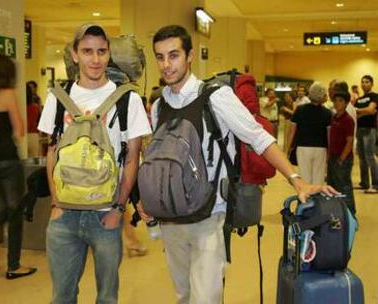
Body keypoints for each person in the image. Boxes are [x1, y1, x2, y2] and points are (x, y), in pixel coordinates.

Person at [137, 25, 336, 304]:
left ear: (190, 55)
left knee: (205, 299)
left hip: (208, 216)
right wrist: (147, 197)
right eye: (160, 57)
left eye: (174, 55)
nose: (166, 65)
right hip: (171, 219)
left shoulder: (215, 97)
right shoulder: (159, 106)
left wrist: (295, 178)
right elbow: (157, 155)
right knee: (183, 296)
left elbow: (258, 138)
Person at [37, 24, 151, 303]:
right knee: (62, 296)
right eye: (87, 51)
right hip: (64, 216)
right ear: (75, 55)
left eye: (101, 51)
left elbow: (133, 157)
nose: (95, 59)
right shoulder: (58, 97)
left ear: (109, 54)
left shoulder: (128, 100)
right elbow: (52, 152)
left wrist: (118, 209)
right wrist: (55, 203)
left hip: (106, 216)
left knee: (107, 298)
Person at [0, 54, 37, 279]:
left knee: (2, 211)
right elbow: (19, 129)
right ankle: (14, 266)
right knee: (13, 213)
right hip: (7, 160)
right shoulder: (8, 94)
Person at [288, 82, 332, 184]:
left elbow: (292, 131)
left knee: (304, 177)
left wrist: (288, 149)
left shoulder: (300, 110)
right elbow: (329, 135)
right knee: (318, 178)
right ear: (321, 96)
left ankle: (306, 198)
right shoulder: (327, 113)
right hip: (320, 149)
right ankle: (317, 198)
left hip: (303, 147)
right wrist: (329, 152)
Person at [327, 90, 356, 214]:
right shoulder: (333, 117)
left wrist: (341, 159)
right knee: (333, 186)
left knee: (344, 186)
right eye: (335, 101)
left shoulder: (348, 120)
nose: (337, 103)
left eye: (341, 101)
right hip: (332, 158)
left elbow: (349, 141)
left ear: (346, 103)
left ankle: (350, 213)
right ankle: (337, 211)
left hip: (342, 159)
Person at [354, 75, 378, 193]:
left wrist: (359, 111)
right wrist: (365, 111)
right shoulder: (359, 99)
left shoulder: (374, 96)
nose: (364, 84)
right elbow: (360, 113)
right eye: (362, 82)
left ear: (371, 84)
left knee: (370, 157)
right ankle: (364, 183)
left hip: (370, 130)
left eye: (367, 82)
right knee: (362, 158)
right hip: (359, 130)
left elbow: (371, 110)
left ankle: (375, 184)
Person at [26, 84, 41, 157]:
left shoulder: (20, 107)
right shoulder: (35, 107)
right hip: (33, 135)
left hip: (23, 135)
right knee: (34, 161)